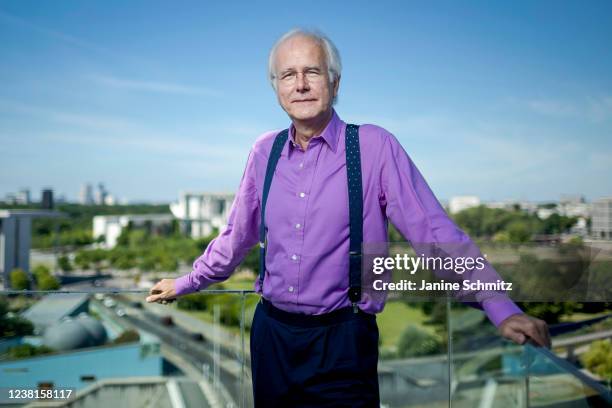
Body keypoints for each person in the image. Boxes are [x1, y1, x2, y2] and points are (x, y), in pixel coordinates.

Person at [147, 28, 550, 407]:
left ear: (334, 83)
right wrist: (187, 282)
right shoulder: (262, 152)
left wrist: (500, 306)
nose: (300, 84)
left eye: (312, 72)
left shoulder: (374, 147)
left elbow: (434, 233)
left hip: (343, 342)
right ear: (276, 89)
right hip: (271, 336)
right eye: (288, 74)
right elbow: (237, 236)